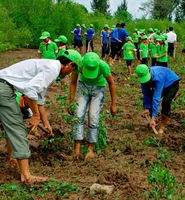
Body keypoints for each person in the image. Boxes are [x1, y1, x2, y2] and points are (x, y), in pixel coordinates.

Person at [0, 49, 82, 183]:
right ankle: (26, 176)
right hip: (3, 89)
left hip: (2, 85)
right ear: (70, 65)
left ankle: (12, 159)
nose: (69, 75)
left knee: (9, 124)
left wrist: (46, 123)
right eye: (72, 71)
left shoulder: (49, 65)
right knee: (17, 127)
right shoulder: (52, 69)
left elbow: (39, 100)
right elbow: (30, 90)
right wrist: (35, 116)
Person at [69, 52, 116, 160]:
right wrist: (71, 101)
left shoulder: (103, 66)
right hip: (83, 87)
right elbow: (73, 82)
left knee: (93, 117)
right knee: (78, 115)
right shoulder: (79, 64)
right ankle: (77, 147)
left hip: (98, 89)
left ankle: (90, 149)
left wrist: (113, 104)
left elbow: (111, 83)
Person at [135, 64, 180, 134]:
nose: (146, 81)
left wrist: (153, 116)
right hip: (161, 83)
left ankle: (162, 127)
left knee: (166, 102)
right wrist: (146, 108)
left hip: (171, 84)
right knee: (150, 102)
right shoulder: (143, 79)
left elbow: (156, 98)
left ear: (149, 71)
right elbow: (146, 94)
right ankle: (153, 122)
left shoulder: (158, 76)